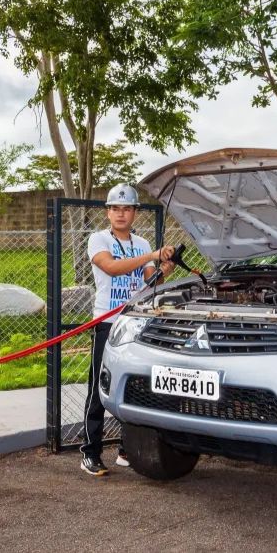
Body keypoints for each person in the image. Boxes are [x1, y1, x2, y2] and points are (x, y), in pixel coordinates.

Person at [80, 184, 175, 476]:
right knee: (99, 388)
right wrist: (152, 255)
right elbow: (111, 268)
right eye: (115, 208)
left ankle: (127, 450)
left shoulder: (142, 244)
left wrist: (165, 268)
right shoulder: (98, 239)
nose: (121, 214)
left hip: (136, 324)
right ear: (108, 212)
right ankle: (90, 452)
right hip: (108, 324)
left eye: (127, 209)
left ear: (135, 213)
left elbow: (149, 282)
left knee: (136, 387)